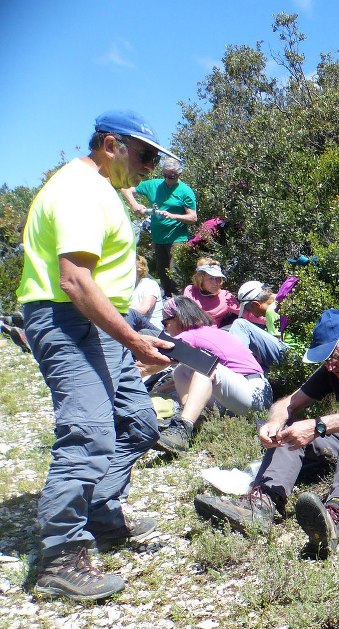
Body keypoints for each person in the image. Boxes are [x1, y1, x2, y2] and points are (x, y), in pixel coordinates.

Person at [17, 109, 176, 601]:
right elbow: (75, 281)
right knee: (88, 433)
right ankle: (60, 557)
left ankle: (101, 511)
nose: (151, 167)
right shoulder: (80, 190)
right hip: (68, 320)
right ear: (112, 145)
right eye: (146, 155)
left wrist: (129, 334)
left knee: (137, 423)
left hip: (100, 324)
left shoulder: (103, 191)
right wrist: (133, 340)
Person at [194, 308, 339, 556]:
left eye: (334, 357)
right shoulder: (333, 370)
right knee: (292, 431)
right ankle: (263, 504)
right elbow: (288, 403)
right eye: (325, 361)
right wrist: (275, 423)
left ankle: (335, 516)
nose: (330, 366)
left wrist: (318, 426)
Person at [147, 296, 273, 454]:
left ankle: (183, 428)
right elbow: (180, 381)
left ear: (177, 318)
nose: (166, 329)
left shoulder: (188, 336)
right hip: (250, 392)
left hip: (255, 393)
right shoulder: (206, 333)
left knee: (204, 369)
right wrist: (155, 392)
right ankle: (196, 420)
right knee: (181, 370)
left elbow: (150, 363)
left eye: (165, 323)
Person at [121, 156, 197, 295]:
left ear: (179, 174)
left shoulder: (185, 191)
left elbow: (193, 217)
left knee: (175, 275)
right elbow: (125, 188)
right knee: (163, 274)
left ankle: (180, 307)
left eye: (172, 176)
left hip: (177, 239)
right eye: (165, 175)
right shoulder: (154, 185)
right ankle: (168, 307)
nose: (168, 179)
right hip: (158, 238)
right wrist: (135, 205)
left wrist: (173, 216)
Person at [229, 280, 289, 371]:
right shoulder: (284, 298)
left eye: (249, 310)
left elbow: (279, 344)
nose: (255, 315)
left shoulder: (272, 311)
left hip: (290, 357)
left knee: (240, 324)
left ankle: (236, 365)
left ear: (255, 304)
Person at [183, 258, 239, 327]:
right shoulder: (191, 291)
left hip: (213, 334)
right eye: (211, 278)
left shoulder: (226, 296)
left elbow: (245, 314)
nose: (215, 283)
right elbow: (188, 315)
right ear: (201, 279)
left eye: (218, 278)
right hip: (192, 332)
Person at [126, 252, 163, 332]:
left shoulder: (149, 284)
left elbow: (143, 310)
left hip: (151, 329)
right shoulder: (126, 287)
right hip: (132, 327)